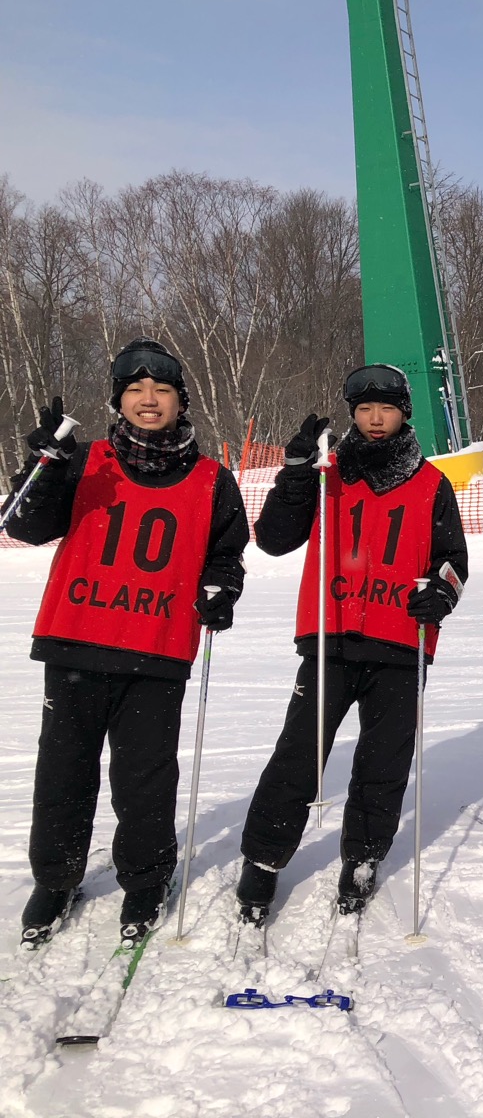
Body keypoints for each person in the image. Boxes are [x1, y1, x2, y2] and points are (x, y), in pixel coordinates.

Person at [9, 340, 247, 949]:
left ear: (179, 402)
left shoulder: (212, 478)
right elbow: (21, 524)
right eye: (135, 390)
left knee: (145, 777)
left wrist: (221, 589)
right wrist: (43, 466)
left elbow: (226, 553)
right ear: (118, 400)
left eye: (162, 390)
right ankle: (57, 878)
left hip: (157, 648)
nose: (149, 400)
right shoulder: (82, 459)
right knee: (63, 772)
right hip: (77, 640)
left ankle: (145, 878)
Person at [234, 364, 467, 922]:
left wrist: (442, 592)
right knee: (298, 755)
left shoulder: (431, 483)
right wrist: (293, 475)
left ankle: (362, 857)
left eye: (385, 408)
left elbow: (452, 561)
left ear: (404, 412)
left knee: (383, 761)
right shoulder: (326, 473)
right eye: (363, 410)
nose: (374, 419)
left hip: (397, 641)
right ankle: (263, 860)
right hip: (330, 637)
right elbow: (272, 540)